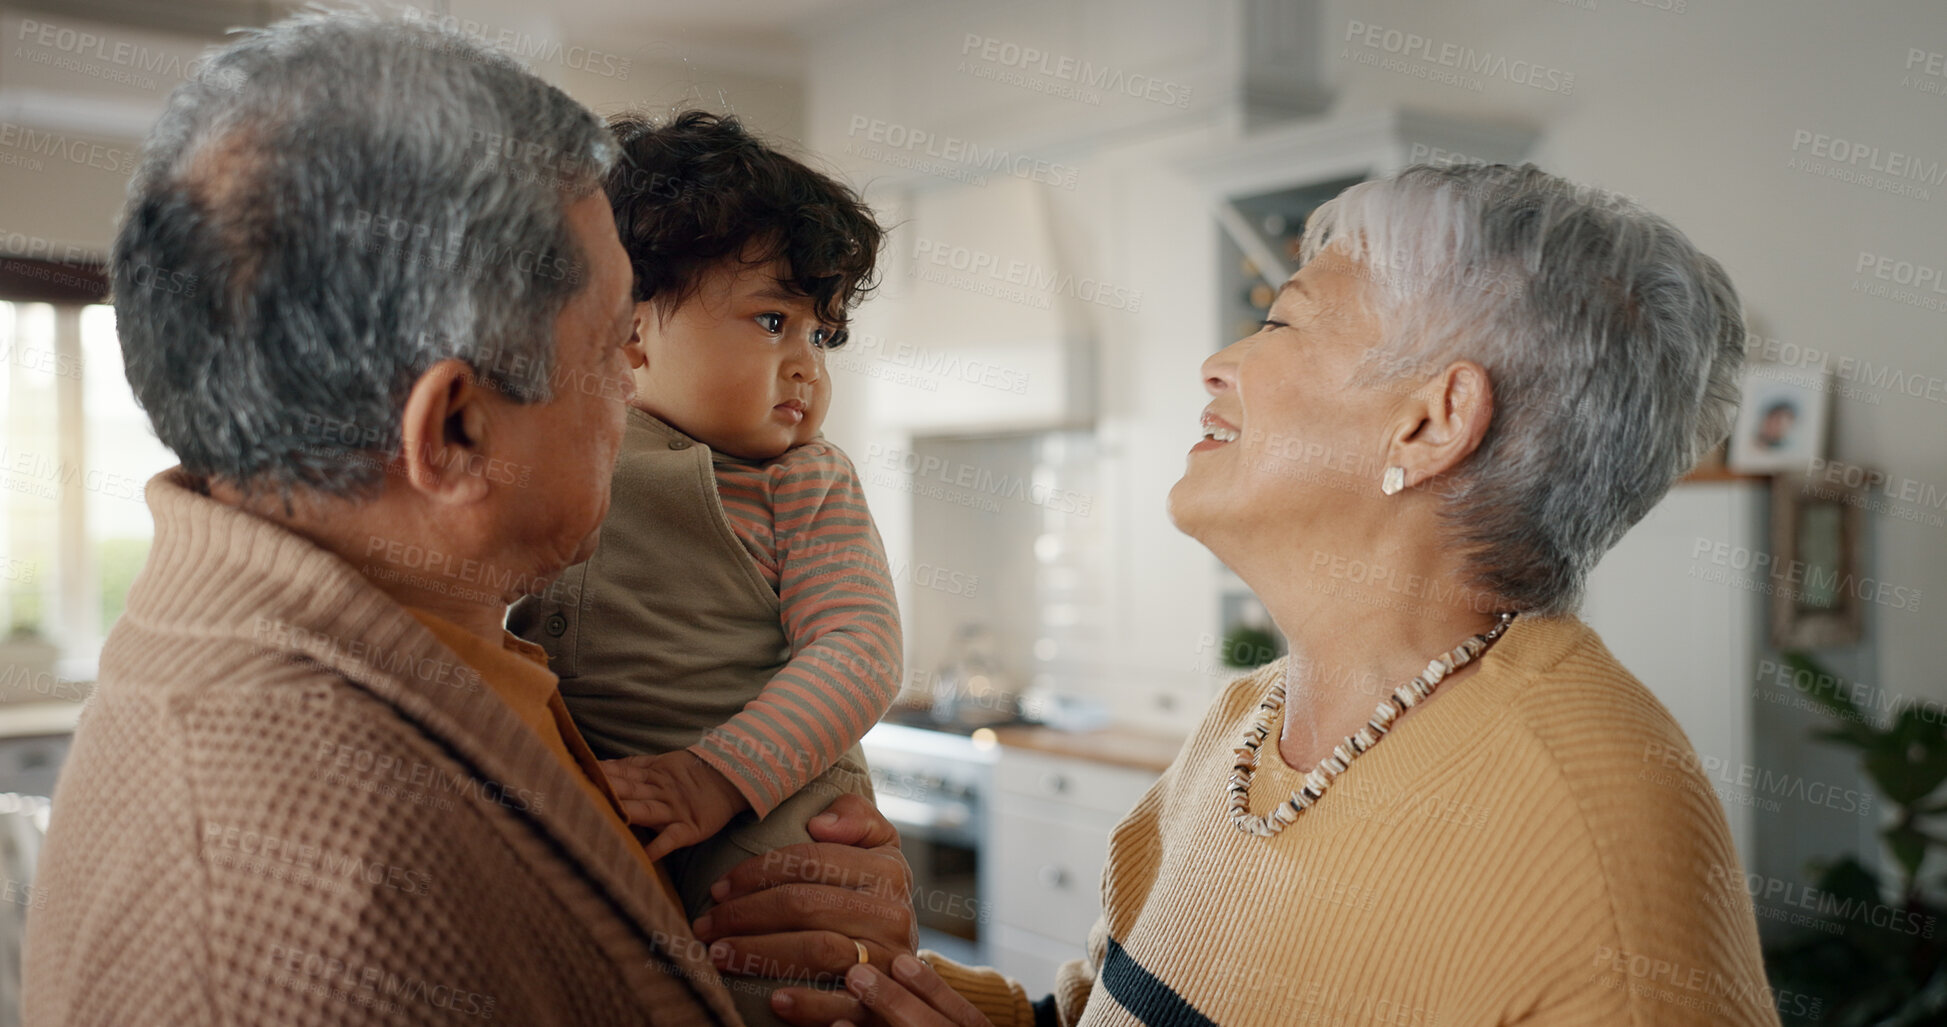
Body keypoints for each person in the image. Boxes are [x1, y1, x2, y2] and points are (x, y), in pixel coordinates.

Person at [21, 13, 912, 1026]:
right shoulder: (309, 925)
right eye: (614, 340)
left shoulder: (444, 627)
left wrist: (827, 936)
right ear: (450, 431)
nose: (635, 386)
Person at [807, 163, 1785, 1026]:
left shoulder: (1592, 846)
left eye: (1282, 320)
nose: (1218, 362)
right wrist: (888, 987)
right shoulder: (1245, 721)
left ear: (1431, 422)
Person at [507, 109, 899, 1025]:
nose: (807, 367)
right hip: (610, 790)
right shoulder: (559, 453)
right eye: (774, 321)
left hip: (770, 803)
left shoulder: (799, 481)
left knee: (765, 983)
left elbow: (859, 647)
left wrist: (714, 776)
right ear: (631, 335)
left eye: (822, 335)